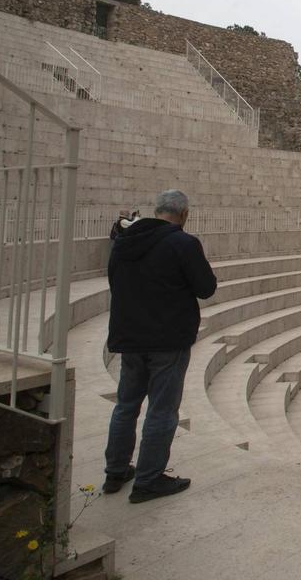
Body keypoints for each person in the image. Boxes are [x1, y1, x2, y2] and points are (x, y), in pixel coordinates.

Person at [102, 190, 217, 503]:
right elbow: (206, 288)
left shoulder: (124, 242)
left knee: (126, 405)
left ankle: (115, 472)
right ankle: (149, 479)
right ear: (184, 214)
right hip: (168, 340)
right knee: (162, 409)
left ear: (156, 211)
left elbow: (114, 281)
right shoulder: (183, 243)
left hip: (130, 338)